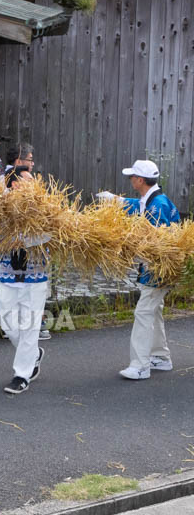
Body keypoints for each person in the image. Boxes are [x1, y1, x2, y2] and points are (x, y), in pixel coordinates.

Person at [97, 160, 181, 380]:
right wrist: (115, 200)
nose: (130, 180)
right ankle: (160, 357)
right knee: (154, 311)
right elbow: (137, 205)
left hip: (159, 267)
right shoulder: (152, 200)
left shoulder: (157, 205)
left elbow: (156, 240)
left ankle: (140, 366)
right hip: (156, 266)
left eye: (132, 177)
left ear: (140, 180)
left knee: (143, 313)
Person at [0, 167, 51, 394]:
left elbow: (53, 234)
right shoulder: (0, 208)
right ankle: (33, 354)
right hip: (7, 276)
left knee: (29, 327)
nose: (34, 185)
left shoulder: (42, 207)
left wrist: (29, 240)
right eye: (28, 180)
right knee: (9, 326)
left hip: (35, 277)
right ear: (14, 185)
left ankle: (21, 375)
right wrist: (9, 242)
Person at [0, 142, 51, 341]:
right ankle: (20, 335)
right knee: (11, 318)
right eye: (29, 159)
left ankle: (36, 329)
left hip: (33, 262)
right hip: (10, 259)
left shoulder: (37, 200)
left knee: (30, 316)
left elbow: (48, 229)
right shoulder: (3, 185)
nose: (33, 163)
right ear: (18, 161)